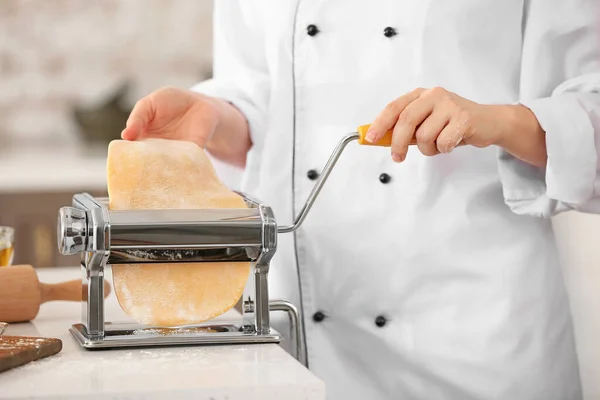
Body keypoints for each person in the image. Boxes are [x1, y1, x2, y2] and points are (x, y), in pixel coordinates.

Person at [121, 1, 600, 399]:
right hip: (296, 327)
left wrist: (494, 120)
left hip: (469, 331)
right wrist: (215, 117)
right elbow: (263, 96)